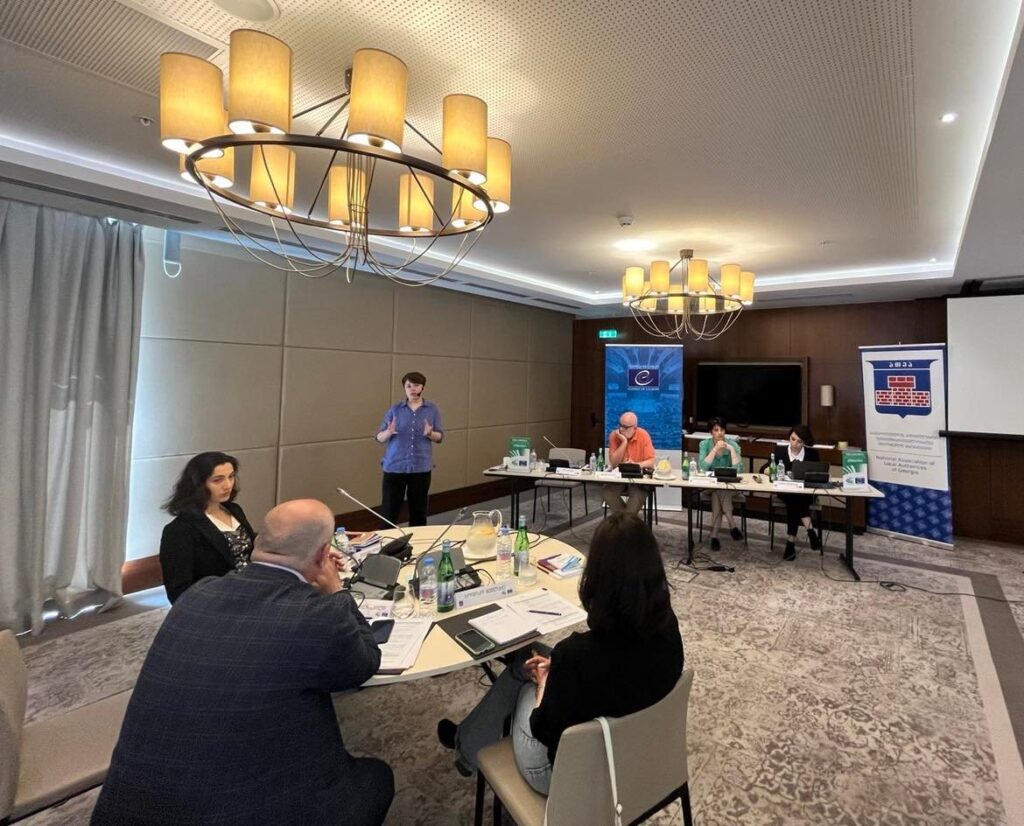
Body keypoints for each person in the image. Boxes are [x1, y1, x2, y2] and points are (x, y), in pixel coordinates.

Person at [92, 499, 393, 826]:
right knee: (377, 777)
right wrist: (336, 592)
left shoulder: (197, 594)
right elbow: (364, 663)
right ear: (323, 556)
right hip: (242, 812)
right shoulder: (318, 615)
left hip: (123, 811)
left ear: (258, 541)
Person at [435, 513, 683, 794]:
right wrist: (558, 671)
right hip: (639, 752)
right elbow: (609, 673)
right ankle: (467, 741)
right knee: (528, 658)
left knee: (523, 673)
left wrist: (544, 685)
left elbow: (542, 727)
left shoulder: (577, 655)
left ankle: (467, 747)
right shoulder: (667, 625)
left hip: (561, 774)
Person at [159, 451, 256, 604]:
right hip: (217, 599)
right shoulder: (180, 529)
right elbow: (178, 589)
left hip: (252, 589)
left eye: (231, 477)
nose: (228, 485)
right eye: (218, 480)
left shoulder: (234, 510)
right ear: (198, 484)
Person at [376, 371, 444, 527]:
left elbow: (440, 437)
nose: (412, 389)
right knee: (389, 513)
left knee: (418, 513)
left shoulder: (432, 410)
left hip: (421, 467)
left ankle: (417, 542)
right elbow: (379, 438)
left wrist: (430, 434)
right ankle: (387, 542)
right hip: (394, 467)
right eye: (409, 386)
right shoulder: (395, 410)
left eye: (416, 385)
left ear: (423, 388)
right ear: (404, 388)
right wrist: (388, 432)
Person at [772, 424, 822, 561]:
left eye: (799, 441)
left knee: (795, 501)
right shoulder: (780, 451)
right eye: (792, 439)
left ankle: (791, 543)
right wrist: (771, 470)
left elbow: (819, 474)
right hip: (786, 492)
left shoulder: (812, 454)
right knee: (794, 498)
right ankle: (810, 530)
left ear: (804, 442)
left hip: (806, 493)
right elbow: (766, 468)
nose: (794, 443)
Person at [698, 417, 744, 551]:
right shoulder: (704, 444)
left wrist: (732, 451)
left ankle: (714, 536)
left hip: (730, 487)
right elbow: (703, 467)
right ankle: (732, 524)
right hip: (710, 486)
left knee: (719, 492)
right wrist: (714, 450)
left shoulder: (733, 445)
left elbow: (739, 470)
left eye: (722, 430)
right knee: (719, 489)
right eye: (716, 430)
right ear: (711, 432)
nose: (719, 433)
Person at [601, 411, 656, 515]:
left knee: (636, 497)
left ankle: (625, 520)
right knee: (607, 492)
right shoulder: (614, 435)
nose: (621, 429)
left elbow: (651, 462)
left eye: (625, 427)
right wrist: (624, 442)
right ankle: (626, 520)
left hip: (638, 478)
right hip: (619, 476)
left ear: (634, 428)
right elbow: (614, 463)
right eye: (620, 425)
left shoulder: (643, 435)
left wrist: (635, 465)